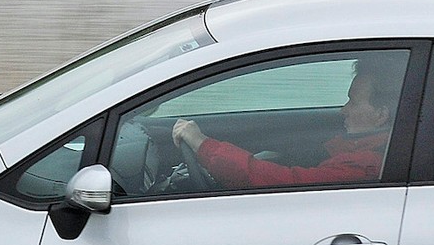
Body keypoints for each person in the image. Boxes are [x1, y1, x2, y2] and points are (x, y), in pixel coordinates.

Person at [170, 58, 403, 189]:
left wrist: (203, 145)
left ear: (381, 115)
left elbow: (277, 181)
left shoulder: (364, 166)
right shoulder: (356, 150)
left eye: (353, 102)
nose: (344, 110)